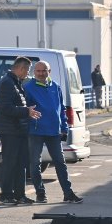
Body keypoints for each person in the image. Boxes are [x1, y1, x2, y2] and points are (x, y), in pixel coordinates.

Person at [23, 61, 83, 204]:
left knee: (60, 162)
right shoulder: (28, 87)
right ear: (34, 72)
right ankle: (40, 193)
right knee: (35, 163)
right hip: (35, 131)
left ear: (49, 71)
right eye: (38, 71)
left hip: (54, 131)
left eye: (44, 70)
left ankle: (68, 193)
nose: (41, 73)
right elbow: (25, 109)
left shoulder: (55, 86)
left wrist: (64, 127)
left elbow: (61, 108)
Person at [0, 56, 41, 206]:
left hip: (19, 130)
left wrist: (27, 113)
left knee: (21, 163)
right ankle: (6, 195)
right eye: (28, 70)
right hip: (9, 131)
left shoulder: (16, 82)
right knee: (9, 163)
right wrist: (26, 111)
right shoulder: (7, 83)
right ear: (21, 68)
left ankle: (20, 195)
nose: (28, 73)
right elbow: (5, 108)